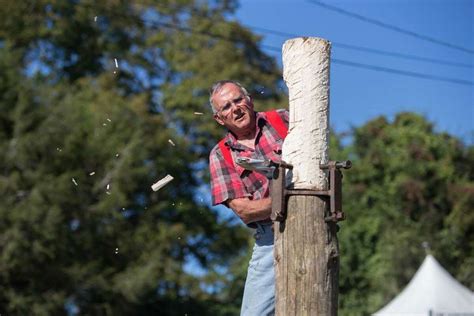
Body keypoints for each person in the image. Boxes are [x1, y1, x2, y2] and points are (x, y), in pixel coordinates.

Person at [208, 80, 288, 316]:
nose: (235, 108)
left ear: (249, 100)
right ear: (219, 119)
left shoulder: (282, 119)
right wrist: (293, 200)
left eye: (238, 100)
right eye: (226, 107)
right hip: (270, 238)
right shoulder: (221, 155)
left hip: (313, 224)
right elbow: (245, 211)